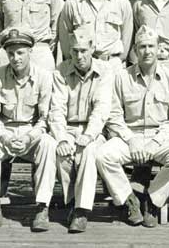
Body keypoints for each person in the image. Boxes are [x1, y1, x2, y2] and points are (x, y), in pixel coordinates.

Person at [96, 26, 169, 228]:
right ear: (135, 51)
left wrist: (155, 141)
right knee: (102, 155)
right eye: (142, 47)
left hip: (160, 138)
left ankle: (152, 200)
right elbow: (114, 115)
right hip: (130, 137)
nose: (147, 51)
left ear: (159, 49)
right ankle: (129, 199)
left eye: (151, 46)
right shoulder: (121, 77)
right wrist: (131, 140)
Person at [0, 28, 58, 232]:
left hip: (31, 132)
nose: (15, 58)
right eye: (11, 53)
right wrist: (5, 137)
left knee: (48, 144)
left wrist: (30, 137)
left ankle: (42, 207)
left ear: (30, 52)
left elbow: (46, 118)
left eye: (20, 52)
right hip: (5, 131)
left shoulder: (44, 77)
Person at [49, 27, 114, 233]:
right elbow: (56, 109)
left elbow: (102, 108)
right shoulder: (60, 72)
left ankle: (81, 210)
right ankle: (70, 201)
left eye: (84, 50)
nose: (79, 56)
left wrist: (88, 135)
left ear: (92, 48)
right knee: (61, 152)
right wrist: (61, 138)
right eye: (75, 51)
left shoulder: (105, 71)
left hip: (93, 129)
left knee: (88, 152)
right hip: (67, 127)